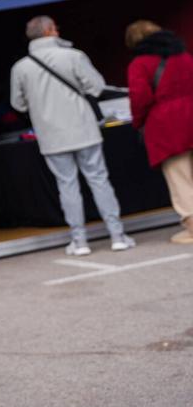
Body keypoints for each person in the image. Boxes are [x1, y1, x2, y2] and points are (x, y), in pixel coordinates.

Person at [10, 15, 135, 256]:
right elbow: (96, 87)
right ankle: (117, 235)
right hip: (83, 127)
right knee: (99, 180)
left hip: (50, 134)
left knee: (66, 186)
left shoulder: (20, 68)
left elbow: (18, 104)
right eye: (55, 27)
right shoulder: (74, 56)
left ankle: (79, 241)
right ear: (49, 30)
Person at [126, 20, 193, 244]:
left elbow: (140, 98)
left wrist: (138, 123)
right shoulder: (183, 56)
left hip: (167, 125)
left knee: (180, 176)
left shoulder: (139, 64)